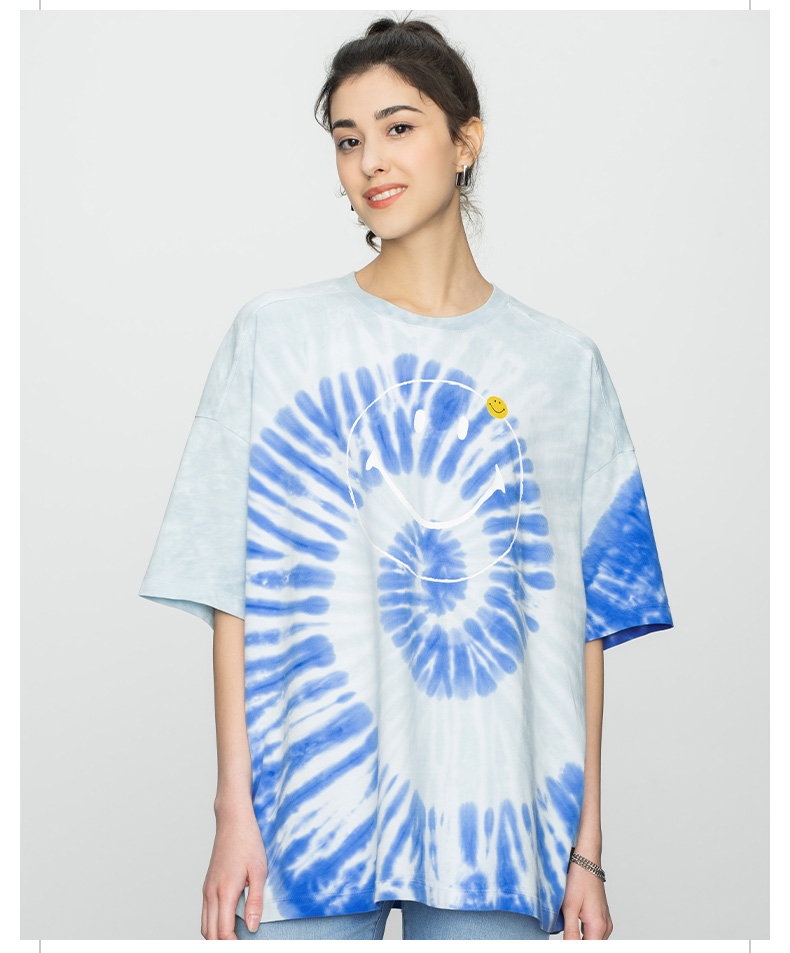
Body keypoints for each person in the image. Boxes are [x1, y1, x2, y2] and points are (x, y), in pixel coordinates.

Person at [138, 14, 674, 942]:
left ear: (466, 142)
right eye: (348, 140)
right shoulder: (278, 337)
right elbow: (230, 585)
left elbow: (586, 621)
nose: (370, 162)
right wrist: (233, 812)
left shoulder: (561, 366)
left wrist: (585, 849)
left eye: (398, 127)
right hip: (310, 810)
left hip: (500, 815)